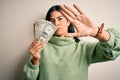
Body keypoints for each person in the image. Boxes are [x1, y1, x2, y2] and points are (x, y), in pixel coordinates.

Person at [23, 4, 120, 80]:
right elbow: (28, 79)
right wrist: (34, 60)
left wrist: (98, 33)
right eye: (52, 21)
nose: (56, 24)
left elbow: (113, 51)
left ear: (68, 21)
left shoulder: (83, 48)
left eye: (60, 19)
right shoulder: (40, 47)